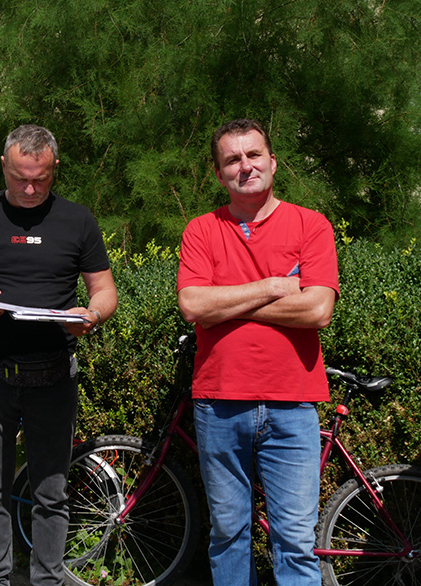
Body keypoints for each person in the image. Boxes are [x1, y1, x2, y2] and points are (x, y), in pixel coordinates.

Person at [0, 124, 117, 586]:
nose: (30, 188)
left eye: (41, 179)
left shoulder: (78, 220)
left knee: (51, 491)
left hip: (53, 374)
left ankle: (46, 580)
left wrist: (91, 316)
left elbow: (105, 291)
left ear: (54, 169)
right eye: (19, 178)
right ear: (4, 167)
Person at [176, 118, 339, 585]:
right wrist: (273, 287)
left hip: (293, 403)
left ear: (272, 161)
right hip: (220, 403)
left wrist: (227, 303)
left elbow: (318, 311)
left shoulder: (311, 225)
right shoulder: (202, 230)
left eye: (253, 155)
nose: (245, 166)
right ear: (218, 172)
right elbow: (193, 305)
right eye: (232, 159)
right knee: (228, 531)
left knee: (294, 537)